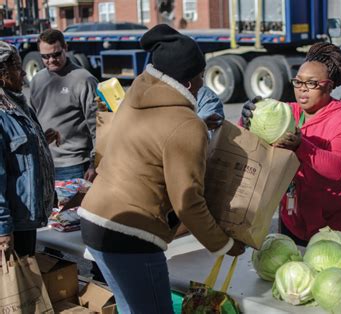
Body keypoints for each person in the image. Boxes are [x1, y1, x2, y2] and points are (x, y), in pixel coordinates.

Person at [78, 24, 245, 313]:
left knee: (131, 308)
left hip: (94, 220)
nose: (204, 81)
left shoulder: (135, 97)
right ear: (190, 82)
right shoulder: (186, 124)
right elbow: (188, 203)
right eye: (201, 75)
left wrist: (196, 129)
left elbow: (155, 139)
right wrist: (225, 245)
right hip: (131, 235)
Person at [241, 42, 341, 252]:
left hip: (338, 226)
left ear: (329, 85)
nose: (302, 89)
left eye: (312, 83)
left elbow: (339, 168)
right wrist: (246, 119)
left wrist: (302, 146)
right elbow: (251, 143)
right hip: (294, 220)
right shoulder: (287, 114)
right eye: (298, 82)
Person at [0, 41, 55, 258]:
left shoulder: (17, 104)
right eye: (16, 67)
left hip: (25, 220)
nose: (23, 73)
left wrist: (41, 140)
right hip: (11, 225)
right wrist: (3, 229)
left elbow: (17, 153)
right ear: (2, 73)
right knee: (13, 288)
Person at [29, 29, 98, 182]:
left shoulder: (84, 80)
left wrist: (94, 164)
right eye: (45, 57)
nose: (51, 60)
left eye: (56, 54)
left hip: (75, 165)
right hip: (44, 164)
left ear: (65, 48)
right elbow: (33, 121)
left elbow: (98, 127)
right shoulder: (36, 81)